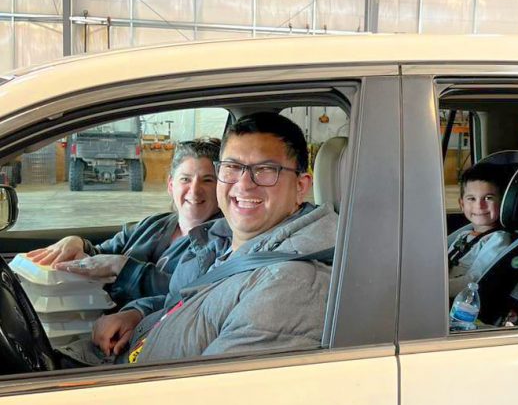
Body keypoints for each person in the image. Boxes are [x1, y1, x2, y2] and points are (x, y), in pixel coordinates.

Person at [58, 112, 337, 366]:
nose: (244, 183)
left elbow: (204, 401)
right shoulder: (218, 239)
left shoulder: (290, 287)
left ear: (301, 187)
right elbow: (181, 303)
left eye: (265, 170)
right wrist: (138, 315)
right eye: (232, 167)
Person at [26, 138, 222, 307]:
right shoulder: (152, 225)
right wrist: (78, 243)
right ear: (171, 185)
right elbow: (100, 256)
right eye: (185, 179)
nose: (195, 191)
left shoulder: (222, 242)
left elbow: (189, 295)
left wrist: (122, 267)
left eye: (207, 180)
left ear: (222, 187)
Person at [448, 162, 512, 298]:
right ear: (462, 204)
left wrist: (435, 287)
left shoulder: (498, 240)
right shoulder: (464, 235)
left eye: (488, 198)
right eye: (471, 198)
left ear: (503, 203)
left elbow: (474, 280)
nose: (479, 206)